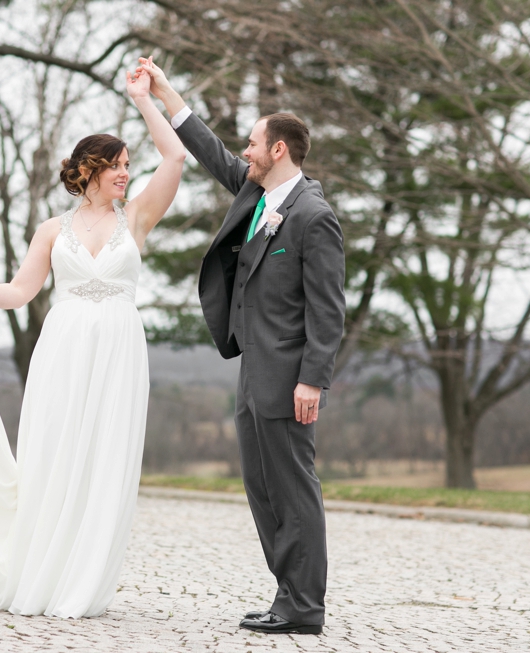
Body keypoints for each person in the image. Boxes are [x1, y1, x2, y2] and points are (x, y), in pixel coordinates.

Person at [0, 60, 185, 619]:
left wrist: (144, 99)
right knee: (54, 457)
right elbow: (20, 291)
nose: (126, 175)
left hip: (118, 353)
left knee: (104, 460)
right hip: (61, 352)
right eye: (117, 166)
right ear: (89, 170)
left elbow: (177, 156)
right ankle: (43, 571)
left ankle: (83, 581)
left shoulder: (135, 219)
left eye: (129, 166)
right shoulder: (49, 231)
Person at [137, 58, 345, 635]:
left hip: (288, 376)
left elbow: (328, 309)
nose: (245, 152)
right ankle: (287, 596)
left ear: (279, 149)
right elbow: (212, 153)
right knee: (262, 488)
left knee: (292, 487)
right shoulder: (257, 197)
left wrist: (312, 379)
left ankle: (305, 607)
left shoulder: (313, 216)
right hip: (253, 367)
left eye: (253, 143)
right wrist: (163, 91)